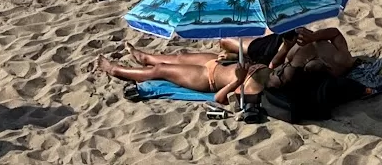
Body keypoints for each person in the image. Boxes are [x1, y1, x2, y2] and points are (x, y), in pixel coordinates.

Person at [97, 50, 265, 106]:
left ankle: (115, 70)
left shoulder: (256, 88)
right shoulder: (273, 71)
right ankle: (144, 58)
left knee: (161, 70)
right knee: (180, 57)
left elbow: (219, 98)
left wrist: (238, 80)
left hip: (207, 77)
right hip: (222, 62)